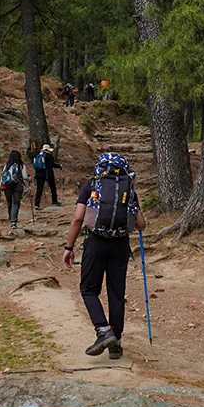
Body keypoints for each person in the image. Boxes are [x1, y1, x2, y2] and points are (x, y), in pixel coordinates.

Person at [64, 153, 146, 358]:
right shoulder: (129, 188)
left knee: (88, 288)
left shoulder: (91, 185)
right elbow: (141, 225)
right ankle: (116, 344)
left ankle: (103, 330)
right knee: (116, 293)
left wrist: (69, 246)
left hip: (96, 243)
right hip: (120, 245)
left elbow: (77, 219)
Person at [0, 150, 30, 231]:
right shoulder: (21, 166)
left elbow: (3, 177)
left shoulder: (7, 165)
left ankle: (10, 217)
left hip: (7, 186)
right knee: (15, 203)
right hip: (17, 186)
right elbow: (25, 177)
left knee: (9, 203)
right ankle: (13, 222)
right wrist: (29, 180)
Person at [33, 143, 62, 209]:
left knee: (39, 189)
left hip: (38, 174)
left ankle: (36, 204)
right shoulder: (49, 156)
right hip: (47, 174)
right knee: (53, 188)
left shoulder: (38, 155)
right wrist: (59, 166)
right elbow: (52, 164)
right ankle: (54, 201)